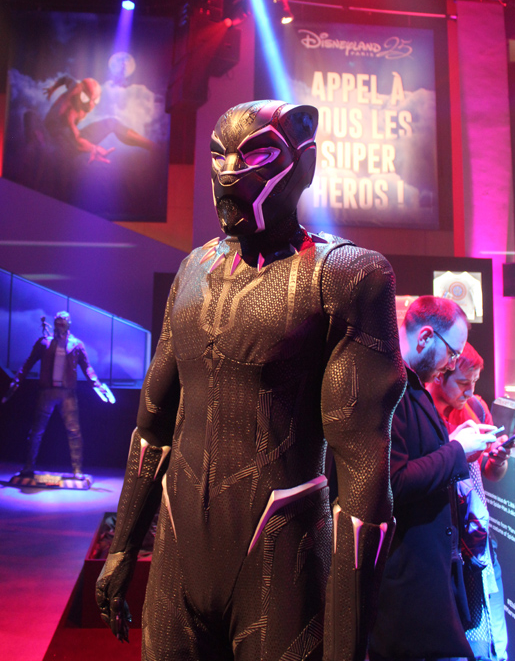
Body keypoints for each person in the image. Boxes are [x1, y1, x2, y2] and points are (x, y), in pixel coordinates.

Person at [96, 99, 407, 661]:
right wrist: (121, 549)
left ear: (304, 164)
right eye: (219, 156)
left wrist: (347, 643)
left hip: (281, 555)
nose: (229, 173)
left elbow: (363, 472)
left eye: (257, 155)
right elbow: (152, 426)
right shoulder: (193, 270)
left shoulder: (344, 275)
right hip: (179, 555)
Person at [369, 295, 499, 661]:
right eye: (452, 353)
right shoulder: (387, 388)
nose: (452, 364)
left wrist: (458, 444)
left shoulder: (409, 384)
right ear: (425, 337)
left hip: (427, 582)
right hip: (406, 592)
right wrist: (456, 450)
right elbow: (392, 482)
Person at [429, 342, 509, 661]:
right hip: (443, 546)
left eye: (474, 382)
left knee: (492, 636)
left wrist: (498, 458)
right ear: (441, 375)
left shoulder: (475, 407)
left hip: (479, 540)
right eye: (463, 382)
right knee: (456, 640)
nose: (471, 391)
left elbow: (491, 472)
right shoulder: (424, 416)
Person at [4, 311, 114, 477]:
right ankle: (28, 466)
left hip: (67, 394)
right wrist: (17, 380)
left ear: (68, 324)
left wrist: (97, 385)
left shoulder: (76, 345)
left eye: (63, 323)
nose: (60, 326)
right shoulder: (44, 343)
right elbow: (28, 363)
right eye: (57, 323)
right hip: (47, 392)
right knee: (36, 431)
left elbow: (87, 368)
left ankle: (77, 470)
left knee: (74, 432)